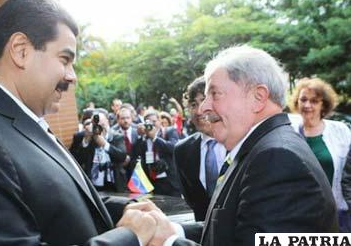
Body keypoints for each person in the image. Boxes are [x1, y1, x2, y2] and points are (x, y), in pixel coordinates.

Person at [0, 0, 157, 245]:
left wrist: (129, 210)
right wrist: (129, 237)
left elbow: (58, 200)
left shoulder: (22, 123)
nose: (72, 77)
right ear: (21, 51)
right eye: (65, 59)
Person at [130, 45, 339, 246]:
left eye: (215, 94)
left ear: (258, 97)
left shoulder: (277, 160)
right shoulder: (259, 150)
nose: (203, 107)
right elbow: (232, 227)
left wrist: (168, 242)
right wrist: (175, 230)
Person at [289, 77, 351, 232]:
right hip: (297, 216)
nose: (307, 105)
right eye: (303, 100)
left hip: (336, 216)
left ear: (323, 105)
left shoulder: (340, 131)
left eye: (314, 101)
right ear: (297, 102)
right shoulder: (288, 132)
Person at [174, 76, 226, 221]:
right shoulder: (182, 150)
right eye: (193, 104)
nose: (199, 111)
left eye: (203, 101)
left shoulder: (240, 143)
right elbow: (191, 199)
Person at [69, 109, 128, 192]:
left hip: (114, 183)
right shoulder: (83, 136)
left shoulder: (116, 136)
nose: (100, 128)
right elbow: (76, 160)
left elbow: (122, 156)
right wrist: (86, 140)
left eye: (102, 125)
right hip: (93, 184)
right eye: (96, 125)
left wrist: (105, 144)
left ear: (107, 122)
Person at [131, 110, 182, 197]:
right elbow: (135, 154)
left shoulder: (169, 131)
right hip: (153, 182)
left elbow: (173, 148)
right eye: (149, 122)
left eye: (154, 121)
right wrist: (140, 135)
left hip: (170, 180)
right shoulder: (144, 139)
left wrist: (154, 138)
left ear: (159, 121)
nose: (152, 124)